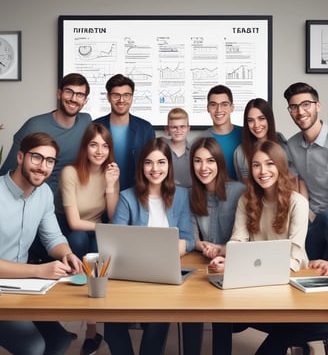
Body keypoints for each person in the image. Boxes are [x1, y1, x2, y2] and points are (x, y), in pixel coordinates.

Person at [208, 140, 309, 355]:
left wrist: (256, 273)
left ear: (280, 166)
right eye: (256, 165)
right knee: (220, 315)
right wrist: (228, 261)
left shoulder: (298, 203)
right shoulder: (247, 200)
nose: (263, 171)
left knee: (282, 334)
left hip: (288, 285)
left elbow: (296, 258)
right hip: (254, 282)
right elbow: (238, 241)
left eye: (269, 164)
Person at [104, 137, 195, 355]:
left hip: (164, 272)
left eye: (161, 162)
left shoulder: (181, 196)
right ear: (141, 166)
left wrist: (167, 252)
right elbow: (114, 238)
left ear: (169, 166)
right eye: (149, 163)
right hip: (131, 272)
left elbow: (188, 238)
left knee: (158, 321)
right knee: (110, 322)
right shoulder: (127, 197)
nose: (155, 169)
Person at [0, 132, 82, 355]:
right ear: (20, 157)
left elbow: (52, 237)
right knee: (33, 346)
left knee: (60, 340)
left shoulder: (44, 193)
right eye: (36, 157)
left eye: (49, 161)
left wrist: (66, 254)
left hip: (20, 289)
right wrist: (39, 271)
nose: (42, 167)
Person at [55, 123, 120, 355]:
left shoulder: (110, 172)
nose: (99, 151)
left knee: (99, 252)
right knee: (82, 241)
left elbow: (113, 217)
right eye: (94, 145)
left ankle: (94, 330)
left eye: (104, 146)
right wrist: (104, 228)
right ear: (85, 147)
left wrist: (111, 185)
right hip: (72, 231)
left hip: (97, 229)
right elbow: (74, 222)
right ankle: (85, 324)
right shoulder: (70, 172)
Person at [182, 137, 245, 355]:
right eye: (198, 161)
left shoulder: (238, 191)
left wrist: (219, 249)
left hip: (231, 262)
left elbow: (244, 237)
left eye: (210, 161)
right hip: (202, 261)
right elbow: (193, 237)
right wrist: (203, 247)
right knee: (190, 307)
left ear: (219, 162)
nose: (203, 167)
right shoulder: (190, 194)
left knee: (221, 311)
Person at [0, 73, 92, 193]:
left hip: (73, 200)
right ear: (59, 94)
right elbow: (8, 172)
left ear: (85, 100)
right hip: (38, 201)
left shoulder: (86, 121)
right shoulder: (34, 126)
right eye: (69, 92)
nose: (73, 99)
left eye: (80, 95)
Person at [284, 82, 328, 260]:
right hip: (311, 219)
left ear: (318, 105)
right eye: (294, 107)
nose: (300, 112)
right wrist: (306, 214)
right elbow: (298, 183)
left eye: (305, 105)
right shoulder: (292, 145)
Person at [94, 73, 155, 191]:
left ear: (132, 97)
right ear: (108, 97)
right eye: (116, 95)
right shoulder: (95, 126)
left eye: (126, 95)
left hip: (136, 193)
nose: (121, 100)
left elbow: (152, 163)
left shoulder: (145, 128)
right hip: (101, 193)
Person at [234, 98, 295, 183]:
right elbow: (247, 187)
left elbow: (293, 179)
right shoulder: (241, 153)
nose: (256, 125)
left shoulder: (282, 142)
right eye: (251, 120)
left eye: (261, 118)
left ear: (269, 119)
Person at [202, 84, 242, 180]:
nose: (219, 110)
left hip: (245, 193)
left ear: (232, 107)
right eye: (213, 105)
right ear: (207, 108)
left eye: (224, 104)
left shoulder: (246, 135)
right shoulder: (201, 140)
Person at [164, 107, 192, 188]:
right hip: (166, 193)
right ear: (167, 129)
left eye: (182, 127)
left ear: (188, 128)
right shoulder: (160, 149)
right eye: (174, 127)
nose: (178, 130)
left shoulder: (195, 151)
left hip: (189, 195)